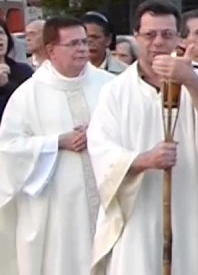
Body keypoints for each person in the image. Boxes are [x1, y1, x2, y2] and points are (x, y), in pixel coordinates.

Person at [87, 0, 198, 275]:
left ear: (179, 38)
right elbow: (101, 148)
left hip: (189, 203)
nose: (157, 42)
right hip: (138, 208)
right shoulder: (116, 91)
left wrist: (189, 80)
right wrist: (144, 159)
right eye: (149, 34)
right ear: (135, 37)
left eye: (167, 34)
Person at [0, 17, 114, 273]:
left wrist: (97, 135)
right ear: (51, 51)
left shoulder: (110, 86)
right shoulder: (28, 95)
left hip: (106, 200)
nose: (82, 49)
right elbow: (8, 149)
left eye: (84, 42)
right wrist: (56, 143)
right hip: (56, 209)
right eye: (73, 43)